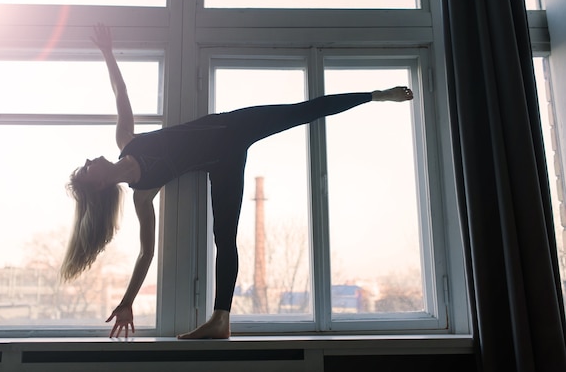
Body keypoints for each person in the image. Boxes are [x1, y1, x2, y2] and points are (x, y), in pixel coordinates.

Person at [61, 23, 414, 340]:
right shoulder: (143, 193)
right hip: (223, 163)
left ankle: (375, 95)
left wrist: (107, 53)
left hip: (233, 126)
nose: (90, 161)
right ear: (99, 186)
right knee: (224, 237)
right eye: (86, 169)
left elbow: (120, 93)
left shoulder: (127, 141)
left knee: (300, 110)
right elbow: (146, 254)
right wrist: (126, 302)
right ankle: (221, 319)